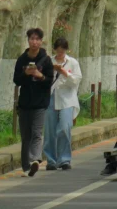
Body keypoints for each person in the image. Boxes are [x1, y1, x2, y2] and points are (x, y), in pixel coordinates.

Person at [13, 27, 55, 176]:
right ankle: (26, 166)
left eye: (37, 39)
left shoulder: (46, 60)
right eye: (32, 39)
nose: (34, 42)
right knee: (26, 136)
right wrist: (25, 73)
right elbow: (16, 80)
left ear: (41, 41)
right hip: (24, 103)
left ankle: (35, 159)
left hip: (40, 103)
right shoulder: (22, 59)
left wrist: (40, 75)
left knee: (37, 132)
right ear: (28, 40)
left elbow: (50, 81)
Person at [44, 35, 81, 171]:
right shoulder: (49, 61)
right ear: (54, 49)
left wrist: (65, 73)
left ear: (66, 50)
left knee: (65, 128)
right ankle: (51, 160)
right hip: (51, 98)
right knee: (50, 130)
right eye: (58, 50)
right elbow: (44, 79)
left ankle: (64, 159)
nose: (60, 53)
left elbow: (76, 80)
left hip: (67, 98)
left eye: (62, 51)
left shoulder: (72, 63)